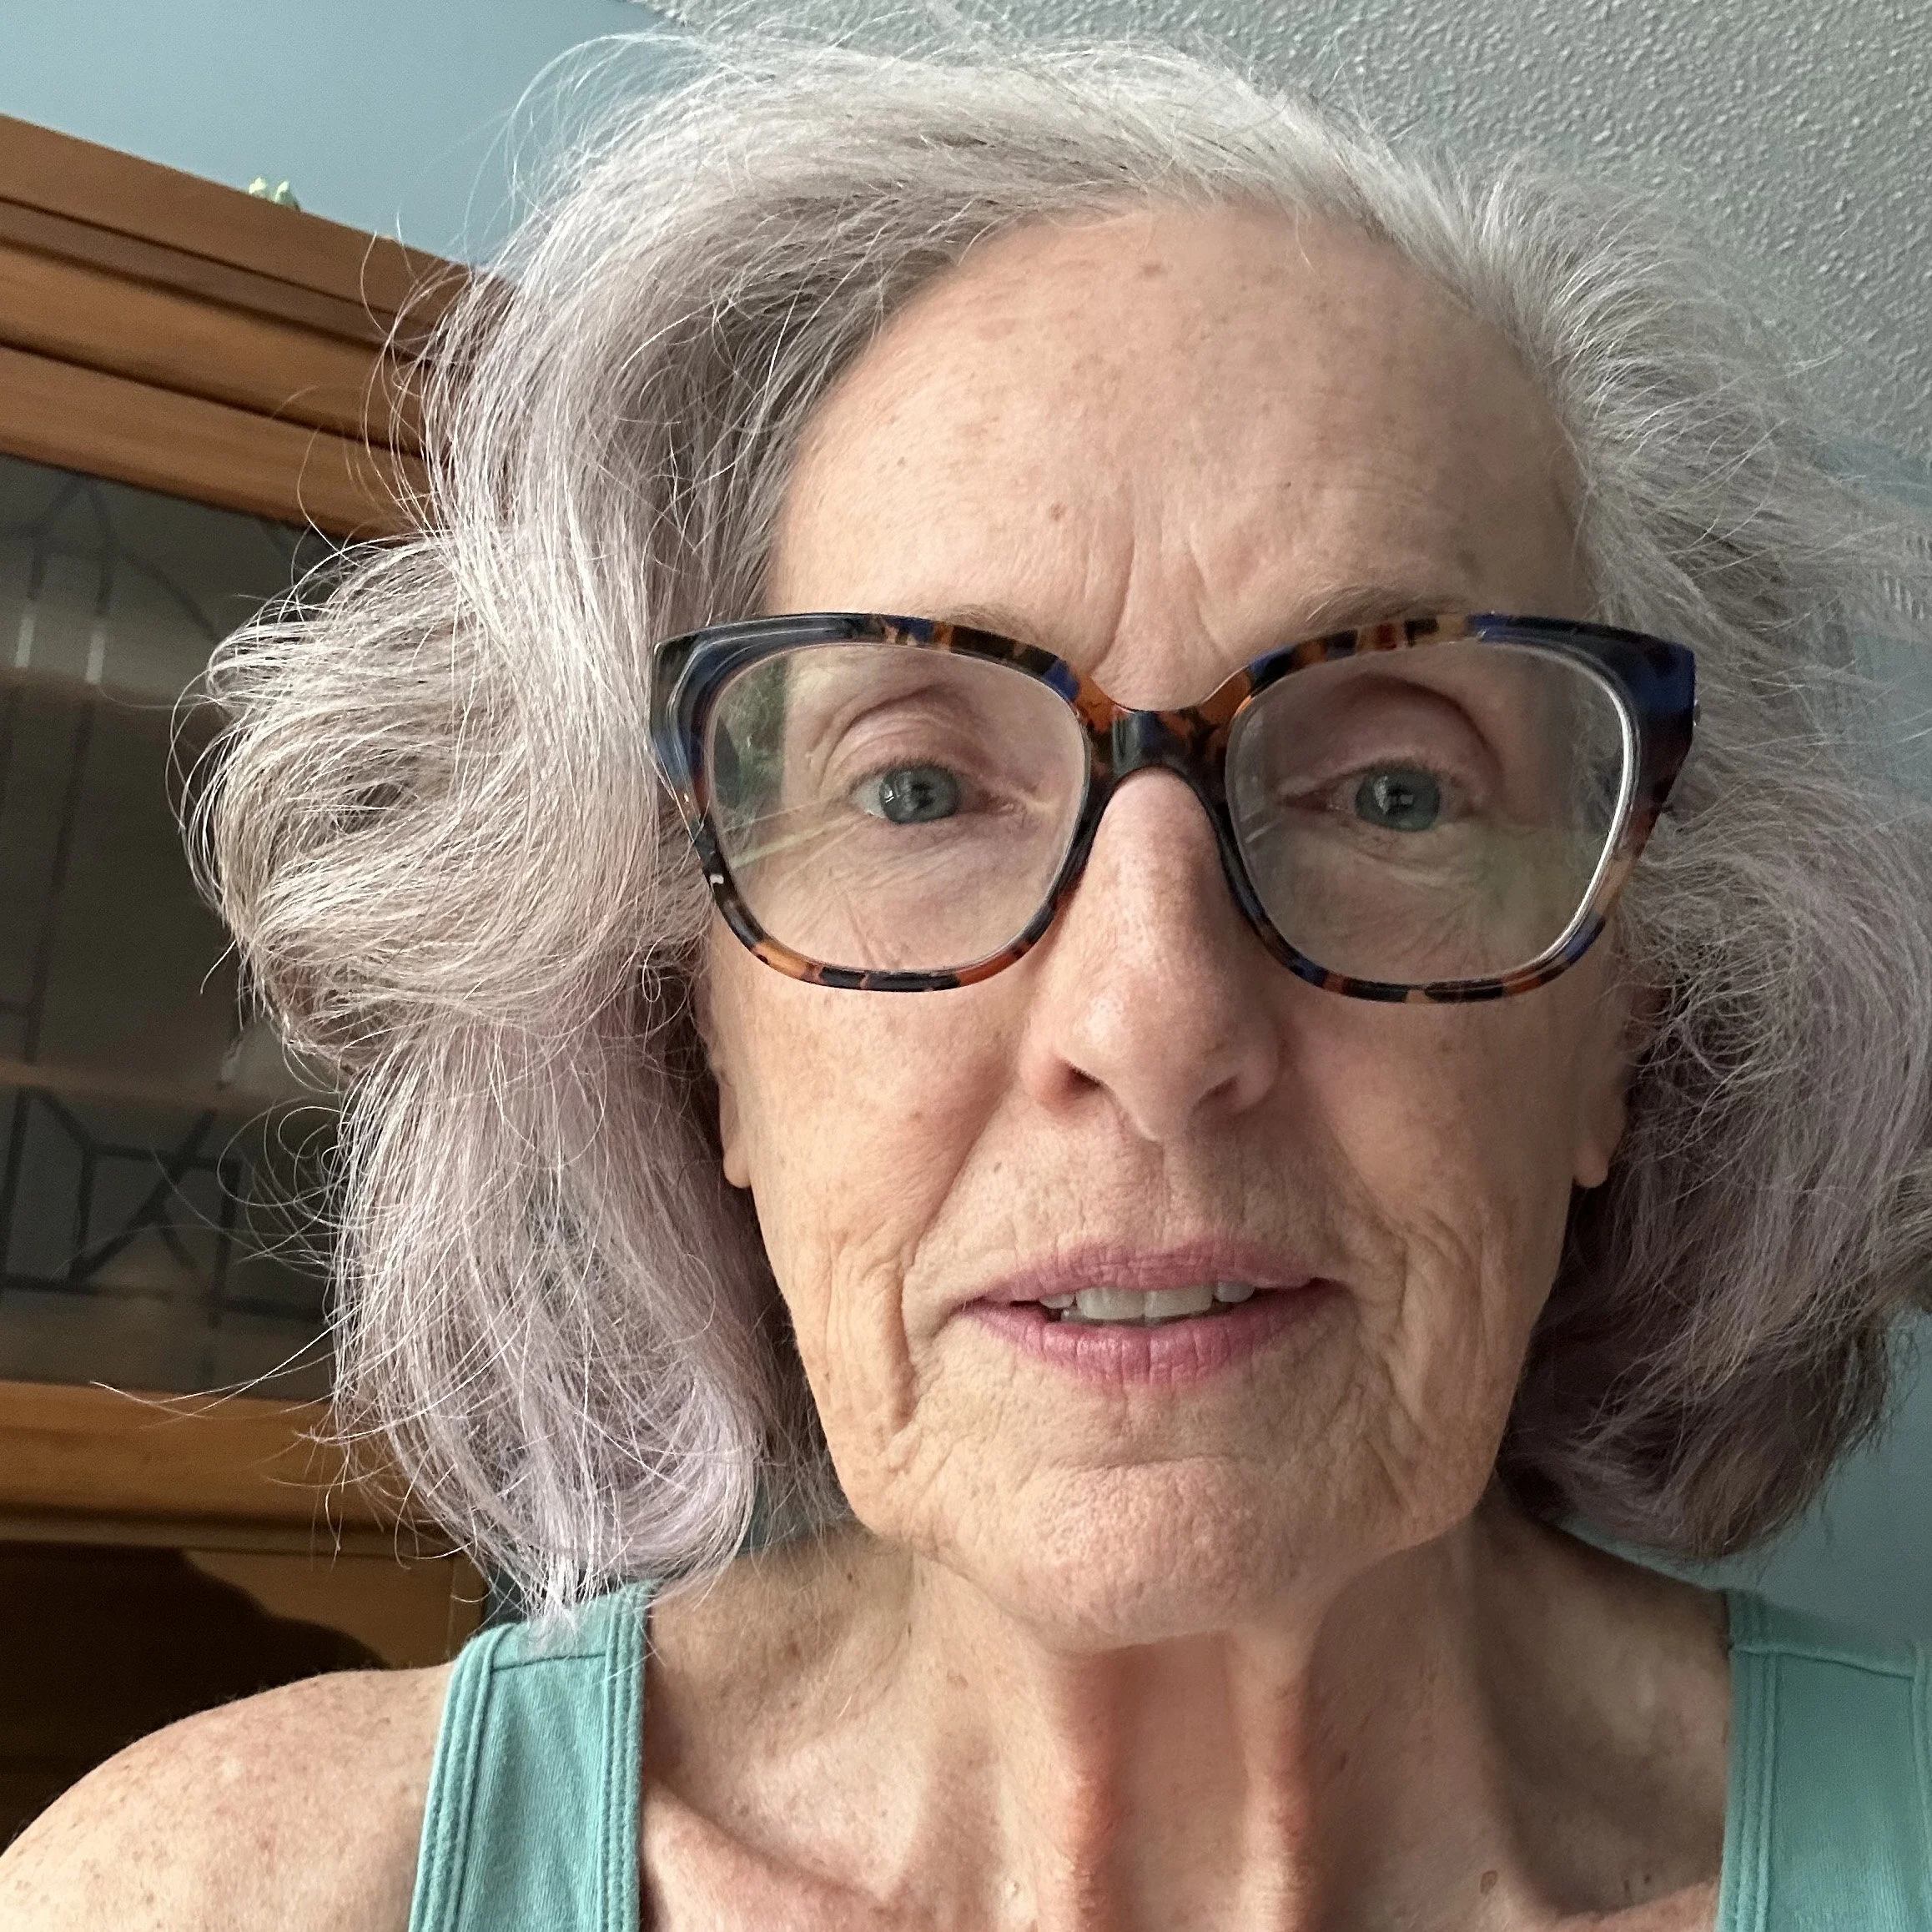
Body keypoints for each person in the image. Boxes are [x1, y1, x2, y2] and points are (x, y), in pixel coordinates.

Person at [6, 35, 1931, 1932]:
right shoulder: (203, 1894)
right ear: (696, 1034)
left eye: (1399, 787)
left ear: (1628, 1012)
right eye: (914, 786)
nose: (1154, 1024)